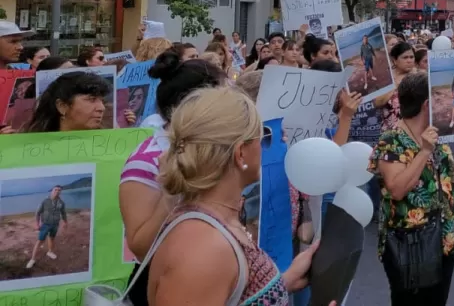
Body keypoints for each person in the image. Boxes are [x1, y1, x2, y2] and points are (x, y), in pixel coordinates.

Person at [144, 87, 325, 305]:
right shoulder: (204, 249)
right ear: (241, 154)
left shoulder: (214, 222)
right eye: (263, 137)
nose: (268, 146)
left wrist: (282, 283)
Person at [371, 71, 454, 306]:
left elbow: (449, 177)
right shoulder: (391, 140)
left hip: (444, 238)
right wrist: (423, 152)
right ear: (427, 105)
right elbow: (397, 189)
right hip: (410, 245)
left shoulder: (434, 135)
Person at [119, 52, 226, 306]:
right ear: (193, 104)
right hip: (165, 285)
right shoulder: (147, 160)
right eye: (224, 98)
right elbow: (142, 247)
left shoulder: (219, 147)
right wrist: (172, 187)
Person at [25, 71, 109, 132]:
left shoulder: (111, 147)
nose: (102, 108)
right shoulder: (31, 149)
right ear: (62, 106)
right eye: (92, 99)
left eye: (102, 101)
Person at [25, 185, 68, 269]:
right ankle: (32, 259)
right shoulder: (45, 201)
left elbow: (63, 213)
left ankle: (50, 252)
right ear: (52, 191)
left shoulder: (61, 203)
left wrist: (65, 222)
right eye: (55, 190)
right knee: (40, 241)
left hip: (55, 224)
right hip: (45, 225)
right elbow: (37, 213)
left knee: (52, 238)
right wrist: (37, 224)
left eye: (59, 190)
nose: (57, 191)